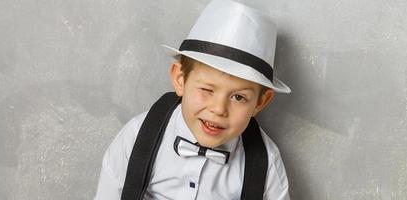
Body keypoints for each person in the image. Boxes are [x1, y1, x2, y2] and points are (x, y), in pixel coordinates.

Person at [94, 0, 291, 199]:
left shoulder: (266, 163)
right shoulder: (137, 137)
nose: (218, 109)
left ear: (260, 102)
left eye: (238, 97)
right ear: (180, 80)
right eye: (207, 89)